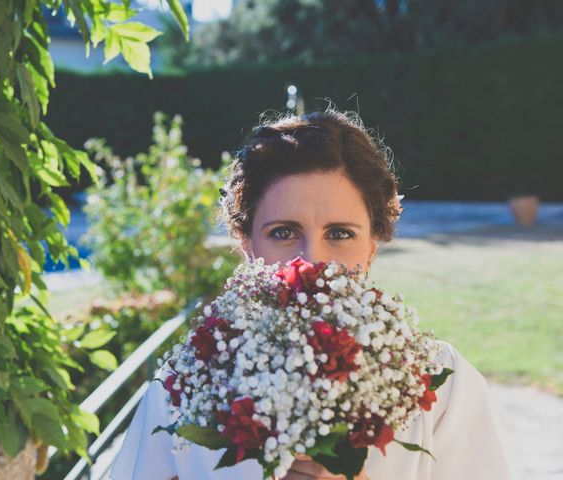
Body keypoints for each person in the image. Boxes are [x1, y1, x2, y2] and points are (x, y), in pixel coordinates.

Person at [109, 108, 513, 480]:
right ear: (246, 244)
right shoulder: (184, 388)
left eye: (340, 234)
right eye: (283, 233)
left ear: (372, 246)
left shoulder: (442, 386)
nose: (313, 260)